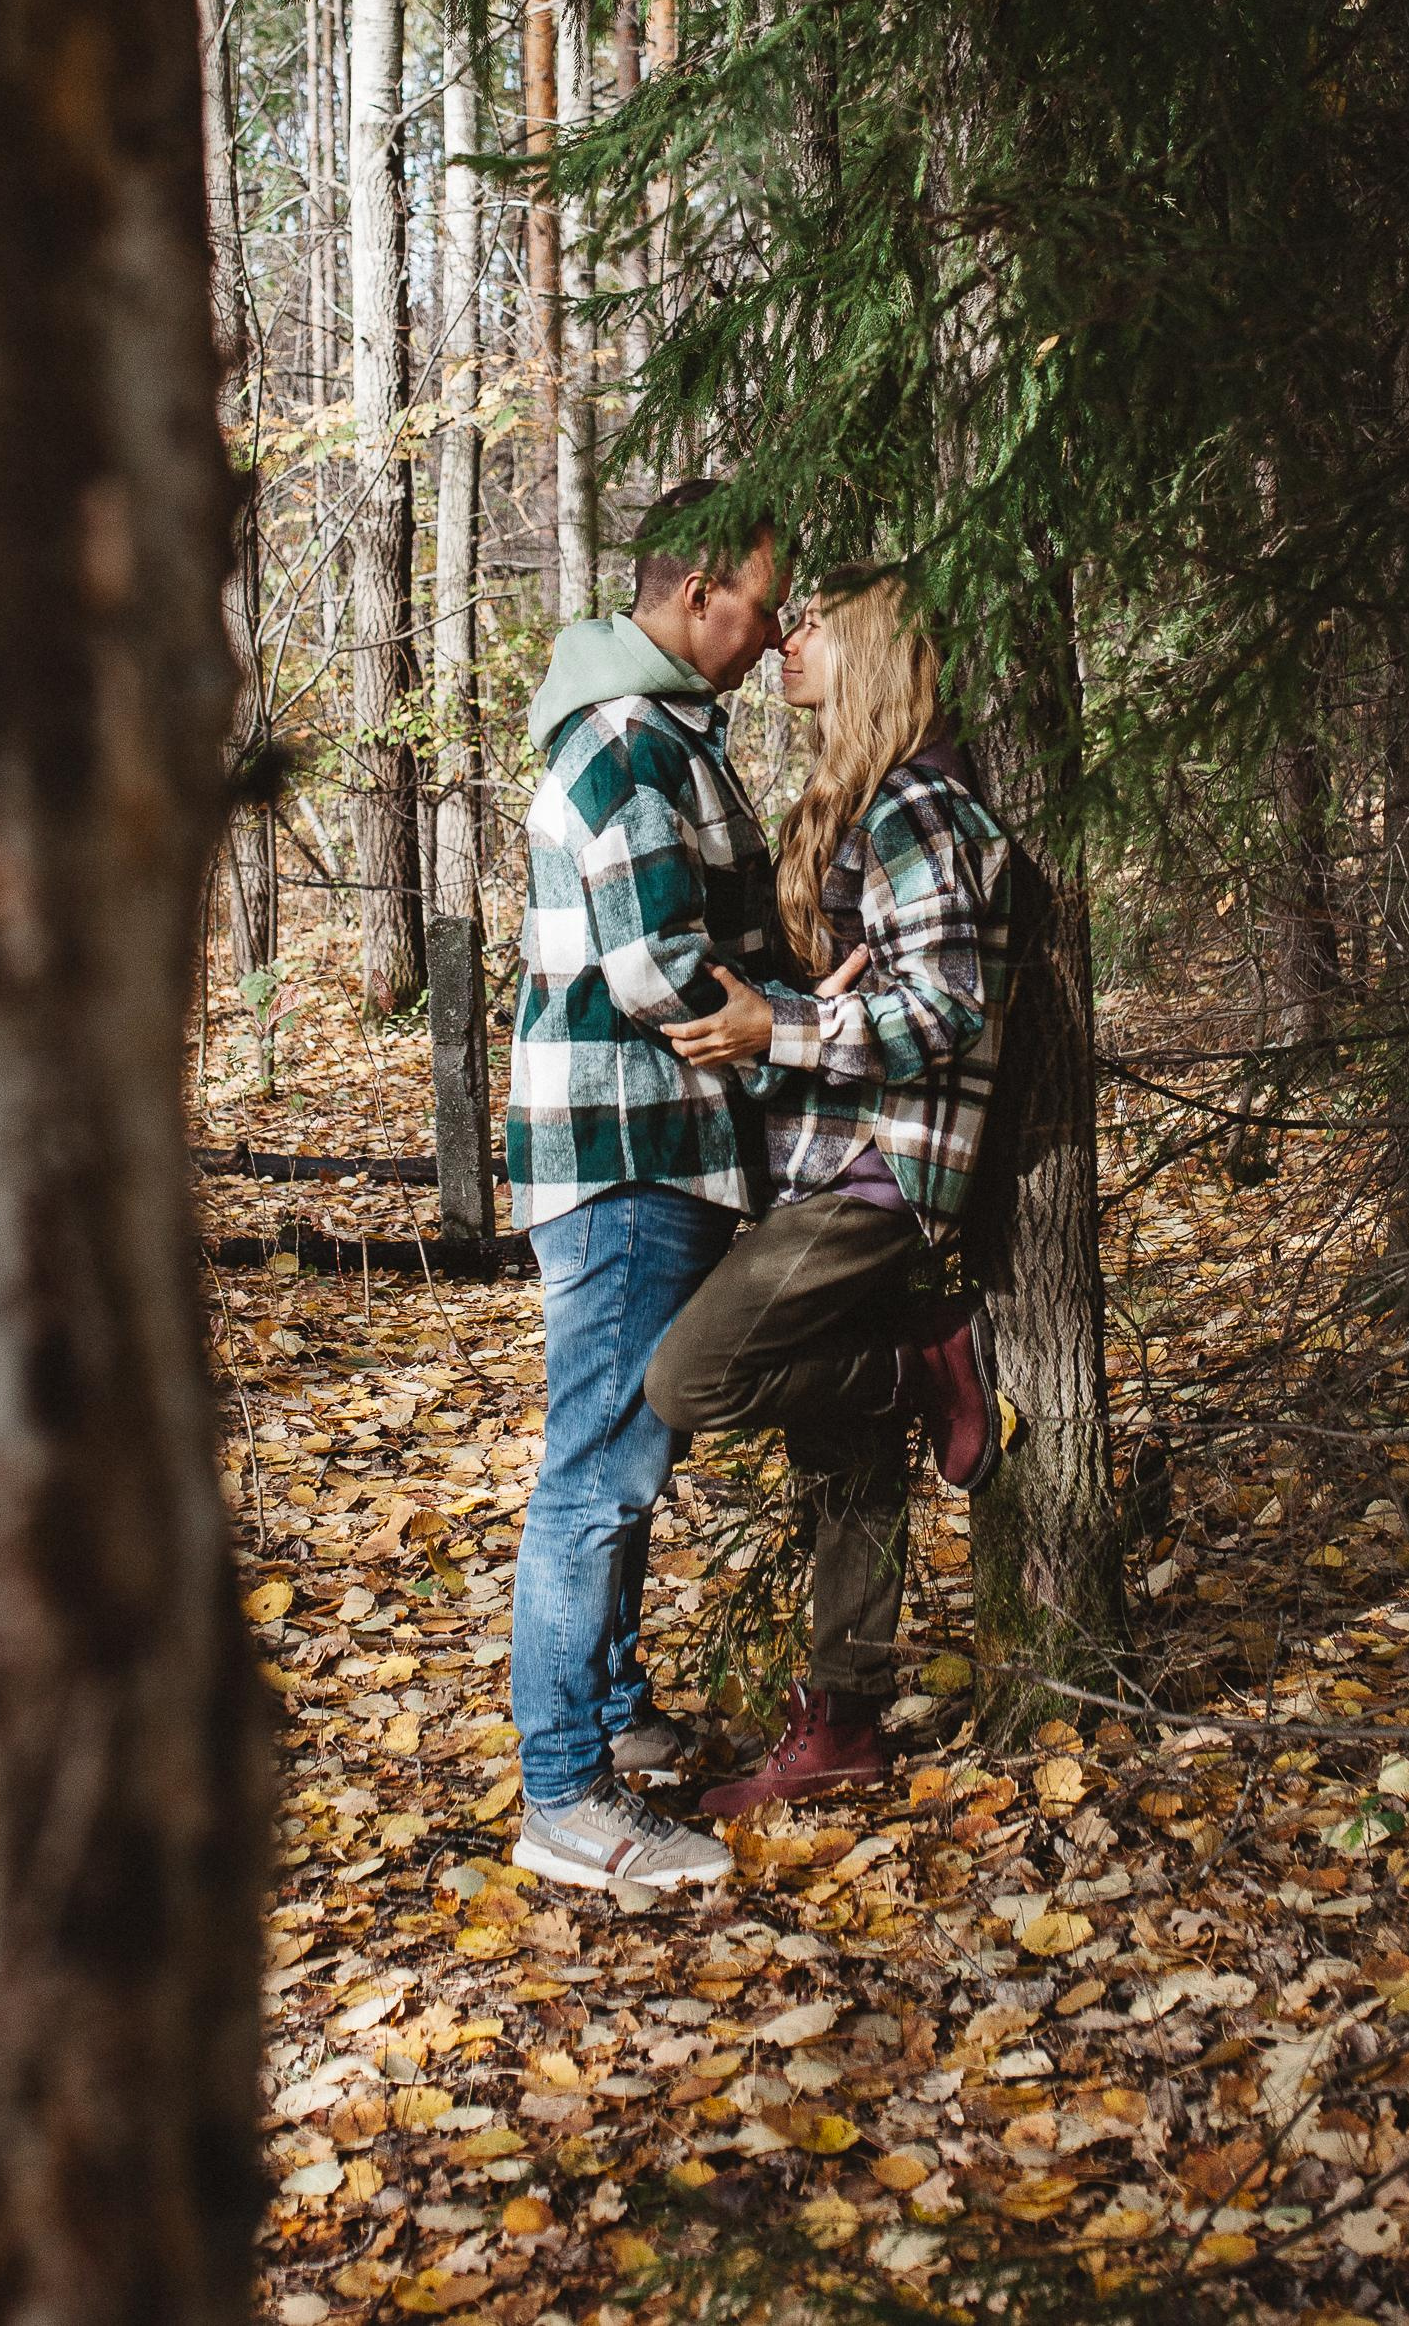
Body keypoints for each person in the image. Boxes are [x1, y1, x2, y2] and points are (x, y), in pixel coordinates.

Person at [646, 565, 1011, 1814]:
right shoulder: (863, 800)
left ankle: (922, 1362)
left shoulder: (912, 800)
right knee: (841, 1450)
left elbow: (949, 1001)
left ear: (872, 651)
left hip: (875, 1178)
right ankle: (843, 1718)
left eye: (814, 625)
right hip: (831, 1160)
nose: (786, 637)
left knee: (687, 1377)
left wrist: (783, 1028)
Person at [506, 482, 785, 1893]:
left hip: (660, 1141)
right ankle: (561, 1793)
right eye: (763, 602)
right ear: (696, 597)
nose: (777, 632)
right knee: (597, 1469)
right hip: (624, 1144)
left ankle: (614, 1718)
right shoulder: (622, 741)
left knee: (629, 1453)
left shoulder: (664, 733)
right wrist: (800, 1025)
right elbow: (659, 974)